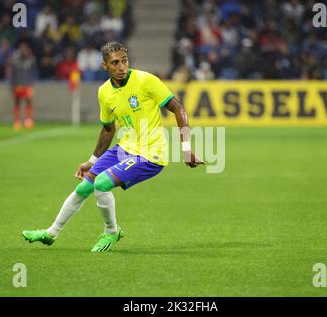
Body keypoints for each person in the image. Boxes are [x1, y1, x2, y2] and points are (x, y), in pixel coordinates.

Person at [22, 41, 204, 252]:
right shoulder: (104, 92)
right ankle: (51, 233)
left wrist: (186, 149)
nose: (121, 67)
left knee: (102, 184)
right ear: (105, 66)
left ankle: (111, 231)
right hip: (124, 148)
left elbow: (178, 109)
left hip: (151, 154)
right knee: (84, 187)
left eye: (124, 61)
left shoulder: (146, 80)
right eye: (115, 63)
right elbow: (108, 129)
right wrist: (91, 161)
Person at [9, 42, 37, 130]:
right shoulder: (15, 60)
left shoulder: (31, 60)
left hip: (27, 84)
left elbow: (33, 72)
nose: (23, 50)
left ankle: (28, 120)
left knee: (29, 101)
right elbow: (12, 73)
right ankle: (17, 121)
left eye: (24, 48)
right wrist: (12, 85)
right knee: (17, 102)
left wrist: (32, 84)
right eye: (21, 48)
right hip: (17, 84)